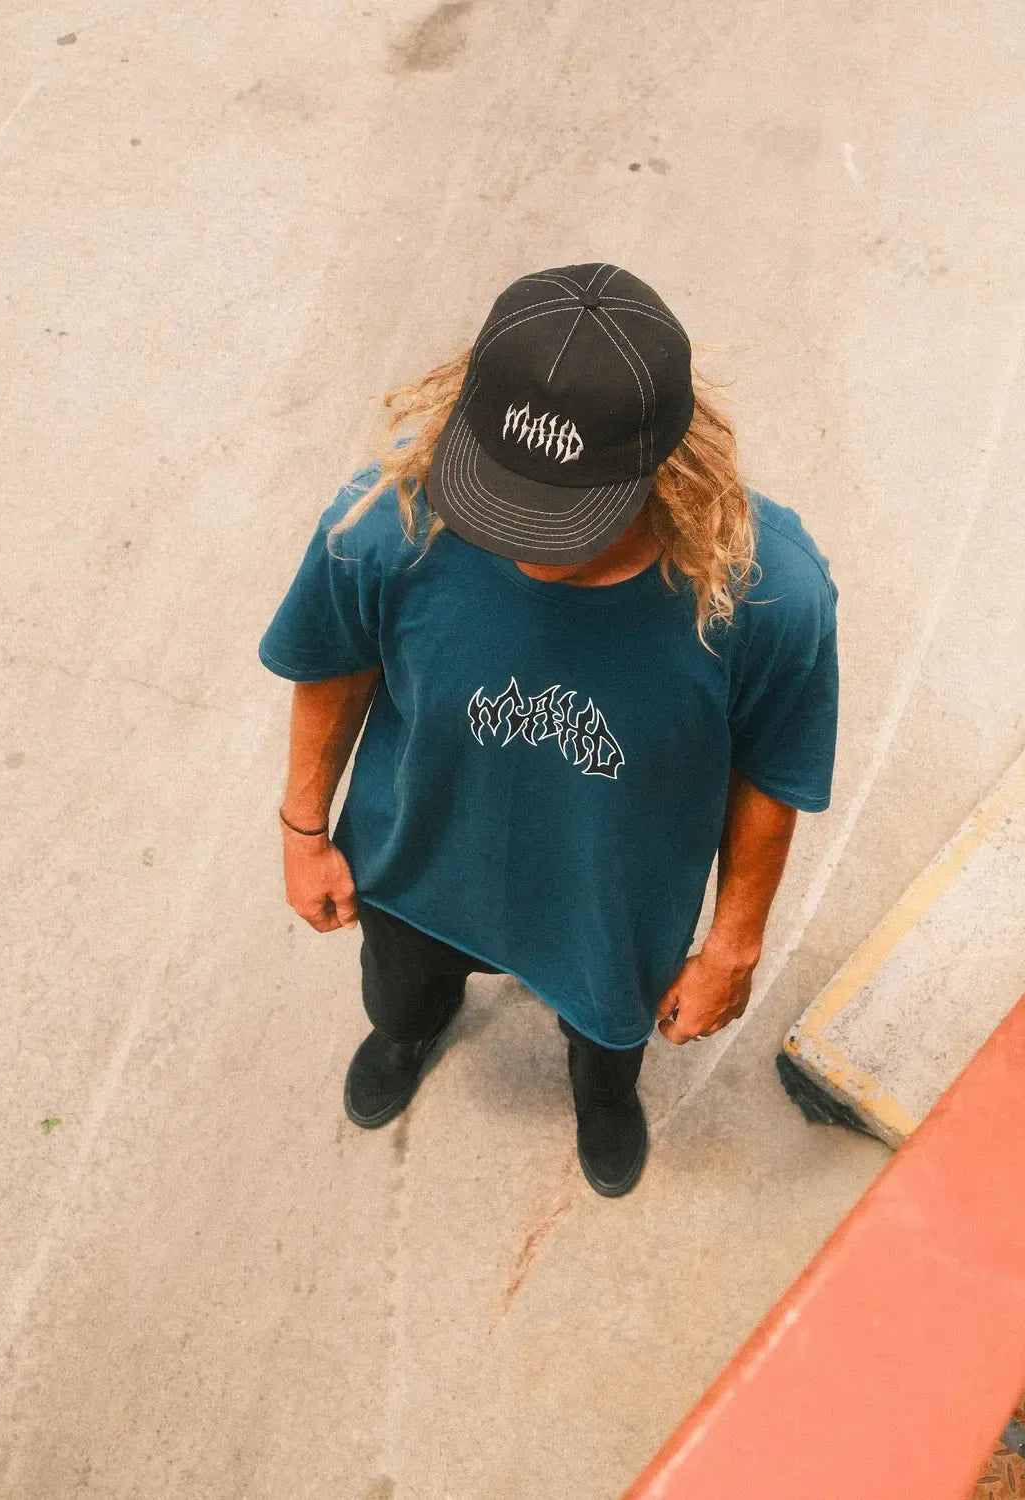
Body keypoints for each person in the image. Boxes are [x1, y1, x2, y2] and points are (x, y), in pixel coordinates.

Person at [258, 262, 839, 1199]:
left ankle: (602, 1094)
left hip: (612, 903)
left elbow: (772, 773)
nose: (524, 544)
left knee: (608, 1035)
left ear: (663, 461)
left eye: (567, 518)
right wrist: (302, 827)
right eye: (502, 492)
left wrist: (732, 945)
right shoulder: (388, 519)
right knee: (401, 993)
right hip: (415, 863)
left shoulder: (765, 593)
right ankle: (409, 1032)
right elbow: (334, 664)